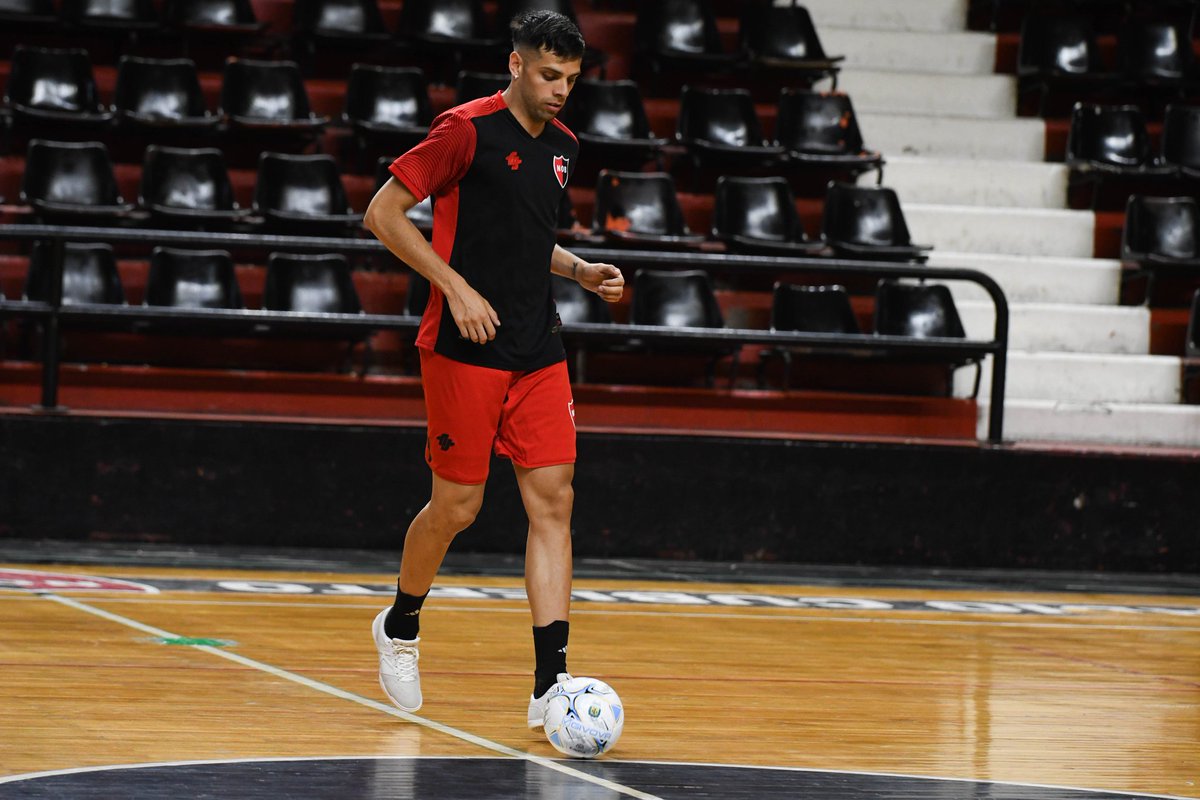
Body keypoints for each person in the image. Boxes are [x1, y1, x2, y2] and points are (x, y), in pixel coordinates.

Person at [362, 9, 624, 727]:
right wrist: (455, 286)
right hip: (463, 346)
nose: (559, 90)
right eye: (547, 75)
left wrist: (578, 269)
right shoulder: (464, 131)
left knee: (555, 503)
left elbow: (525, 236)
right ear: (515, 65)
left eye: (570, 79)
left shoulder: (566, 145)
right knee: (459, 507)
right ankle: (401, 625)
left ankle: (550, 684)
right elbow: (382, 214)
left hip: (537, 347)